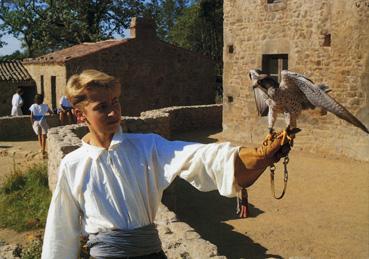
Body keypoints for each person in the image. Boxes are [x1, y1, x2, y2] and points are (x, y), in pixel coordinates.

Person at [41, 70, 293, 259]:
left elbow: (193, 155)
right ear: (79, 114)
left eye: (115, 102)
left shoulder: (147, 146)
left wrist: (254, 157)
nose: (113, 112)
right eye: (101, 107)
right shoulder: (73, 165)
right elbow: (60, 232)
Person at [29, 94, 52, 158]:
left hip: (36, 121)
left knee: (39, 135)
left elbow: (31, 116)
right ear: (42, 99)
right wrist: (50, 113)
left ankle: (41, 148)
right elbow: (50, 112)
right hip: (42, 120)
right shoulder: (45, 106)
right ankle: (43, 150)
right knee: (44, 135)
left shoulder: (33, 106)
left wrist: (32, 123)